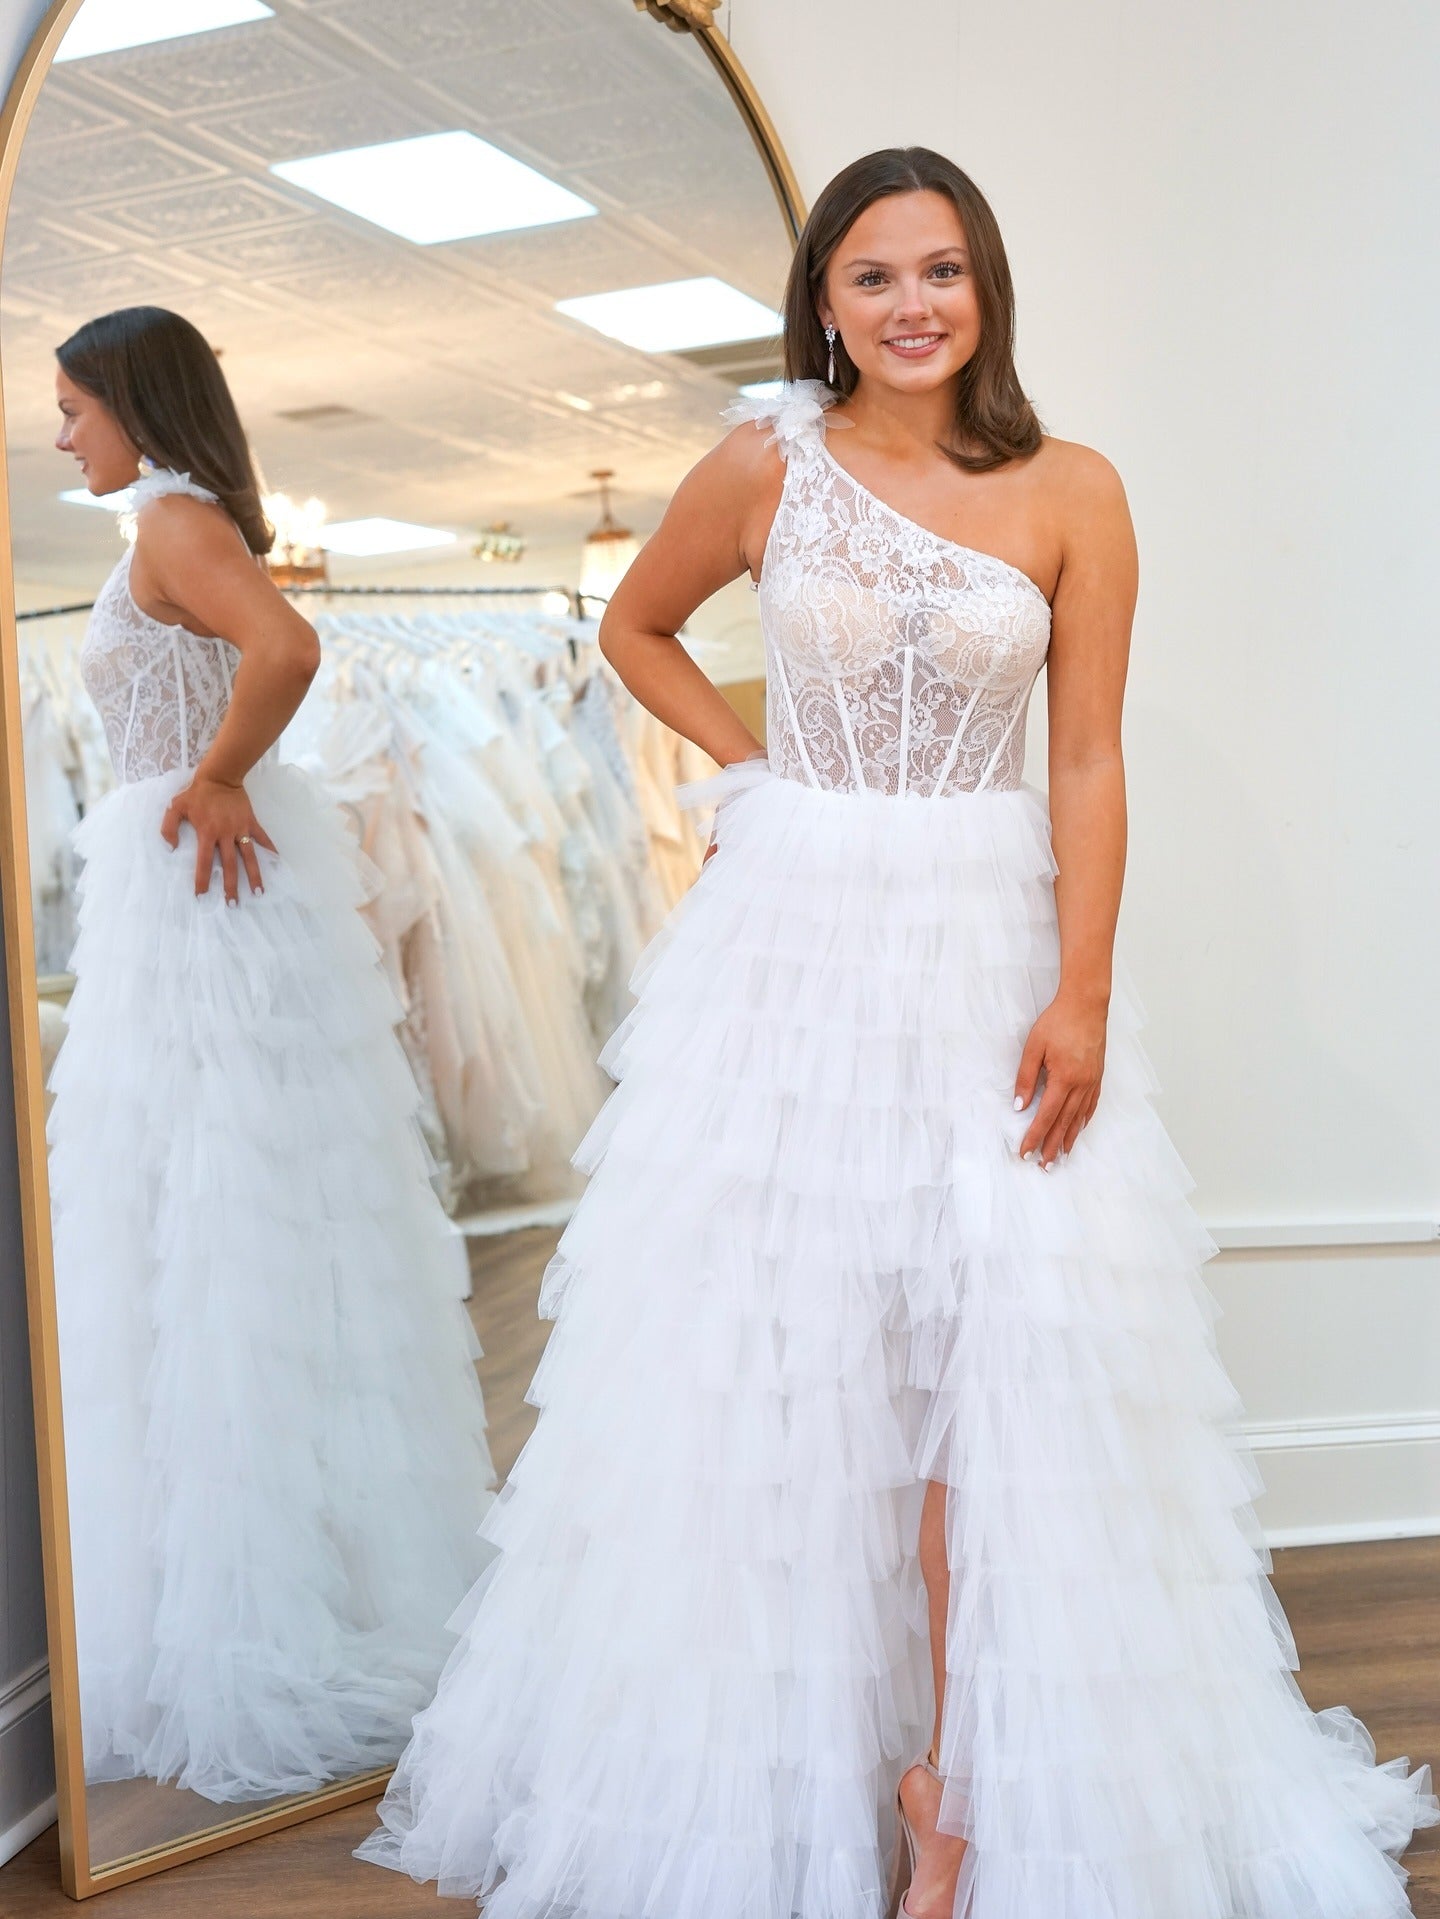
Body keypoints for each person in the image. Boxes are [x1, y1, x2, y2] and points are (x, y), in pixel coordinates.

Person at [358, 150, 1437, 1916]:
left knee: (997, 1385)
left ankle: (966, 1791)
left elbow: (1084, 757)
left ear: (986, 285)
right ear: (825, 302)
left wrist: (1081, 991)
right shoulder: (764, 464)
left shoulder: (1075, 488)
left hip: (984, 948)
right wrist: (751, 767)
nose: (913, 304)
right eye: (874, 276)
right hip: (791, 961)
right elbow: (634, 624)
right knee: (787, 1376)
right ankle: (806, 1781)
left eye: (942, 269)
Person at [46, 305, 497, 1803]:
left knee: (223, 1217)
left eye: (73, 405)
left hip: (200, 892)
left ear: (132, 401)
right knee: (221, 1219)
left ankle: (264, 1615)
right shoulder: (175, 524)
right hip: (190, 895)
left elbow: (288, 646)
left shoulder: (173, 522)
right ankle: (289, 1583)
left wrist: (220, 771)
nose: (61, 433)